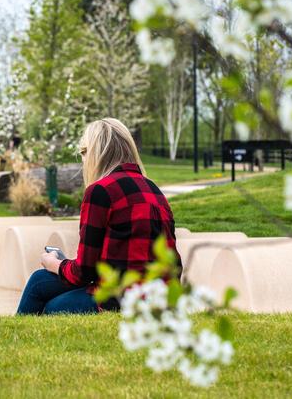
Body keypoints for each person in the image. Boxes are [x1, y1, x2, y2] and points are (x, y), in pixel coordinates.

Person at [16, 118, 181, 315]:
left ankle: (15, 339)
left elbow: (84, 273)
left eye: (83, 153)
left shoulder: (100, 191)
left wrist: (56, 264)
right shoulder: (153, 189)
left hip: (121, 297)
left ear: (94, 153)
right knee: (40, 281)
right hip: (161, 295)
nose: (83, 160)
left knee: (50, 303)